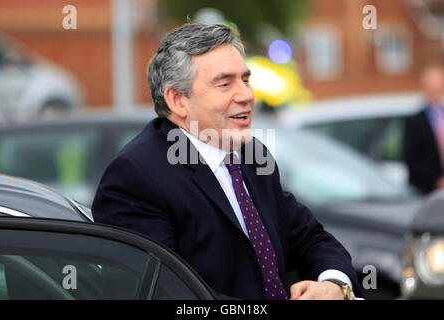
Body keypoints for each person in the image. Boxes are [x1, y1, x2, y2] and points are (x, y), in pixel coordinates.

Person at [92, 23, 361, 300]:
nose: (245, 95)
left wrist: (333, 285)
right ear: (177, 100)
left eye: (245, 80)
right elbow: (166, 294)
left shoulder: (251, 155)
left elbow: (310, 238)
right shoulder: (137, 176)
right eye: (224, 84)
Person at [403, 64, 444, 194]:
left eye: (438, 82)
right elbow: (411, 157)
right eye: (431, 83)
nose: (435, 87)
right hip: (426, 189)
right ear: (424, 86)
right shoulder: (414, 121)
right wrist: (437, 181)